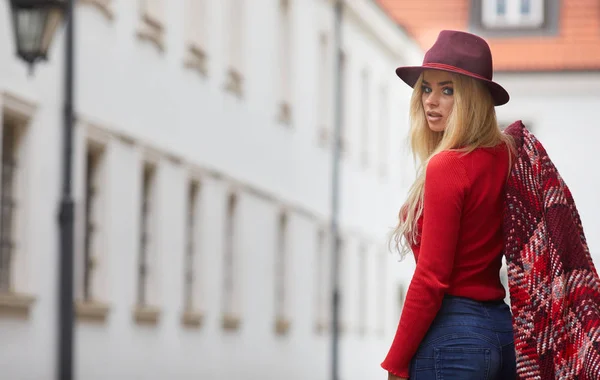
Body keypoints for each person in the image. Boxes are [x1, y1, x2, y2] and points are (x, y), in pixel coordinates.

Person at [381, 30, 517, 379]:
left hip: (453, 336)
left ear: (472, 97)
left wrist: (396, 362)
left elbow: (432, 278)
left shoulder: (448, 166)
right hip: (503, 334)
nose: (431, 101)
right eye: (427, 88)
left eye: (447, 90)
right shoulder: (506, 156)